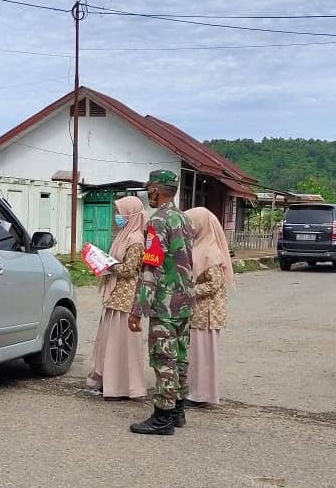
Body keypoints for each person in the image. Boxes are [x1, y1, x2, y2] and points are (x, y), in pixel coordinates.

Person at [128, 170, 195, 435]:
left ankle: (163, 418)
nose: (148, 193)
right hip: (184, 299)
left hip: (164, 304)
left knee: (163, 358)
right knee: (180, 356)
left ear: (156, 189)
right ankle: (178, 410)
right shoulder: (185, 219)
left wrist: (137, 309)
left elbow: (151, 267)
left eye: (148, 188)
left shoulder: (157, 222)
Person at [86, 196, 150, 399]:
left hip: (126, 297)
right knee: (111, 341)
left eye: (121, 213)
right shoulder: (125, 235)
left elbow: (131, 270)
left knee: (123, 343)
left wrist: (108, 264)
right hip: (116, 295)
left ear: (130, 215)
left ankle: (125, 386)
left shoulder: (136, 239)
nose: (117, 217)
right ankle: (111, 382)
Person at [183, 207, 234, 407]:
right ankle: (195, 391)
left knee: (203, 355)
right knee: (196, 354)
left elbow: (214, 284)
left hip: (207, 313)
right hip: (198, 311)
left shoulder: (211, 252)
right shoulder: (199, 247)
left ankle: (200, 394)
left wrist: (189, 291)